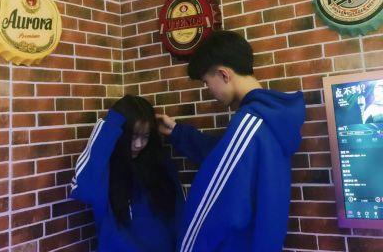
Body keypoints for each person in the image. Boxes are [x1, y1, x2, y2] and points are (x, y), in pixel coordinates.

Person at [157, 30, 306, 252]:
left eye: (207, 83)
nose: (209, 91)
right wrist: (177, 132)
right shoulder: (270, 118)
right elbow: (223, 155)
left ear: (224, 74)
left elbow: (211, 210)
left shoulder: (249, 123)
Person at [70, 94, 184, 252]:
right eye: (133, 136)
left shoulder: (161, 165)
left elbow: (179, 215)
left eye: (145, 136)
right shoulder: (104, 168)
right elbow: (84, 188)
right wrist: (112, 123)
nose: (138, 144)